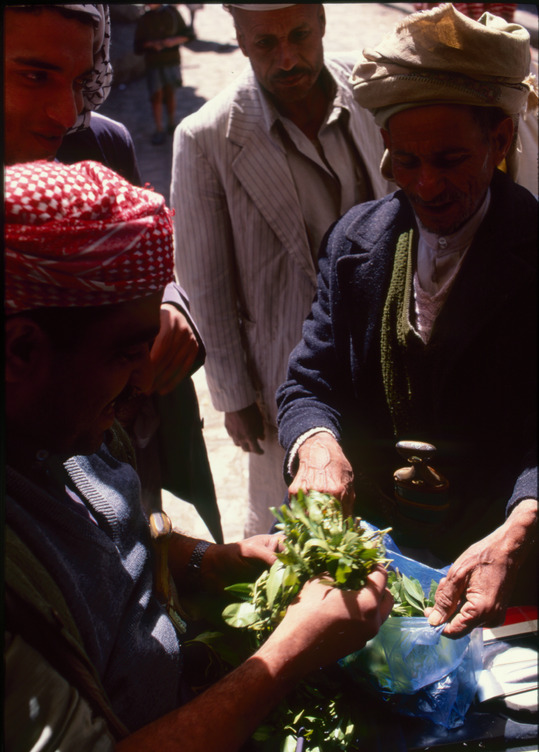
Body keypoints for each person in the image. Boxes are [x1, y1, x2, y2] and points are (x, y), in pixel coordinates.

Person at [4, 159, 398, 752]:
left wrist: (206, 562)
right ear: (21, 350)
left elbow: (108, 545)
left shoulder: (66, 430)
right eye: (125, 353)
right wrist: (289, 652)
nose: (145, 380)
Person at [277, 4, 537, 639]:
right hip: (382, 574)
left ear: (500, 140)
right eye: (405, 161)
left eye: (449, 160)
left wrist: (521, 526)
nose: (425, 185)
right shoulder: (354, 244)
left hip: (513, 573)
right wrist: (316, 446)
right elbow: (309, 382)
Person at [171, 3, 393, 538]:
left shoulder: (371, 89)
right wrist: (234, 397)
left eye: (299, 35)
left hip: (382, 356)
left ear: (322, 22)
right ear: (240, 39)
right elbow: (205, 281)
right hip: (283, 373)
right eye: (266, 43)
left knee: (386, 521)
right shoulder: (206, 136)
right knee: (300, 533)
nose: (288, 58)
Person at [4, 2, 223, 540]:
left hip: (113, 457)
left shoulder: (98, 143)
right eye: (34, 76)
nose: (64, 112)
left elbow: (138, 253)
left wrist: (167, 304)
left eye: (79, 81)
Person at [134, 3, 193, 145]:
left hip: (171, 61)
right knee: (156, 96)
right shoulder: (144, 18)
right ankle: (159, 129)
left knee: (170, 93)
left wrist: (173, 41)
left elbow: (189, 35)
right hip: (153, 63)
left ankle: (171, 124)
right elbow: (137, 46)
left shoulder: (172, 13)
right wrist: (151, 44)